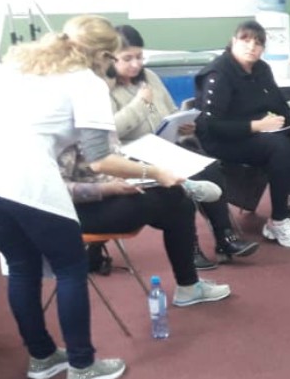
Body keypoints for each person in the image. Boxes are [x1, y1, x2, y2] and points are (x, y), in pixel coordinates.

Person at [0, 15, 139, 379]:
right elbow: (99, 157)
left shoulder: (16, 66)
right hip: (26, 179)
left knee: (22, 266)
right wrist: (154, 172)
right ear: (102, 54)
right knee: (70, 267)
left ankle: (42, 357)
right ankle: (83, 366)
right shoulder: (85, 81)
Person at [107, 25, 258, 266]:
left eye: (139, 57)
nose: (136, 64)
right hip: (130, 155)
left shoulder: (150, 77)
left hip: (164, 146)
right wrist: (139, 104)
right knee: (180, 181)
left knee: (210, 167)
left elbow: (169, 111)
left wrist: (181, 124)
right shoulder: (103, 87)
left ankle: (225, 237)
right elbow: (111, 130)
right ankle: (190, 247)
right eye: (127, 59)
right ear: (110, 58)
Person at [194, 20, 290, 247]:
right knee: (279, 146)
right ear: (233, 42)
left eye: (258, 43)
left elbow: (278, 103)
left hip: (257, 132)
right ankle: (279, 219)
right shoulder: (219, 73)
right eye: (245, 40)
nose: (252, 47)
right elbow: (211, 125)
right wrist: (257, 126)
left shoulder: (262, 69)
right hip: (221, 139)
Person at [58, 143, 232, 307]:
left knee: (181, 206)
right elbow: (58, 190)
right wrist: (109, 188)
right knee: (172, 196)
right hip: (73, 213)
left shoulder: (87, 130)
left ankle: (189, 286)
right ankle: (184, 185)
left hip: (108, 195)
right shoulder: (58, 136)